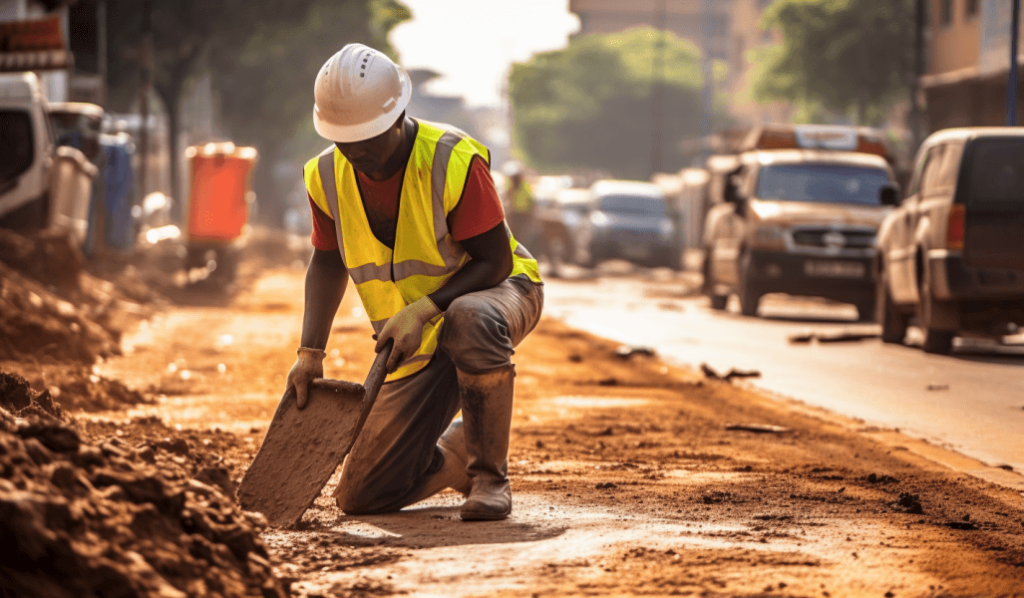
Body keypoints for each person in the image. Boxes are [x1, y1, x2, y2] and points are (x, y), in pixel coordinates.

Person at [286, 44, 544, 521]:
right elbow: (326, 263)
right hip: (417, 334)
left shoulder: (452, 159)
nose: (359, 154)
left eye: (369, 139)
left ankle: (490, 478)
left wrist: (424, 309)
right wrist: (310, 354)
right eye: (347, 141)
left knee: (468, 317)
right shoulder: (325, 174)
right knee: (361, 497)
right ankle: (460, 455)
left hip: (498, 294)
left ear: (399, 115)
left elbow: (494, 260)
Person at [502, 162, 535, 243]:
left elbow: (531, 200)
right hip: (514, 213)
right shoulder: (511, 184)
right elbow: (507, 197)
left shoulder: (525, 185)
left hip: (523, 214)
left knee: (521, 236)